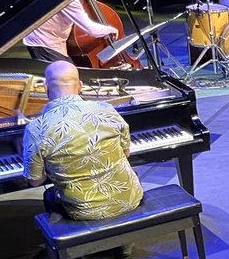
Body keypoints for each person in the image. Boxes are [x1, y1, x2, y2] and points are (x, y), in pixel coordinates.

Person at [22, 61, 144, 221]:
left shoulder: (36, 129)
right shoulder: (107, 109)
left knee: (49, 195)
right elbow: (125, 153)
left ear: (45, 87)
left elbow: (35, 181)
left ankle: (77, 243)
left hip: (83, 211)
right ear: (80, 86)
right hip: (131, 198)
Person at [22, 0, 119, 63]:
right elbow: (90, 28)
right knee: (64, 78)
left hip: (57, 42)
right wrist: (110, 29)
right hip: (43, 41)